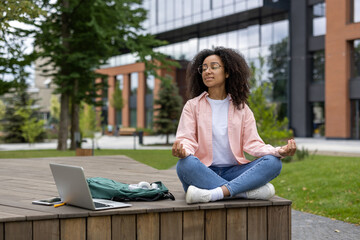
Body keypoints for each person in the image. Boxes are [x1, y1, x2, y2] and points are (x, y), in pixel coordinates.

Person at [172, 47, 296, 204]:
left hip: (235, 172)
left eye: (213, 67)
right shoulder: (192, 106)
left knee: (273, 163)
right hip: (203, 171)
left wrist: (279, 151)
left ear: (227, 72)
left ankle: (214, 193)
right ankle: (242, 193)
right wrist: (184, 151)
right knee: (185, 165)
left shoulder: (241, 108)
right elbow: (186, 138)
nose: (207, 71)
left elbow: (254, 144)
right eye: (203, 68)